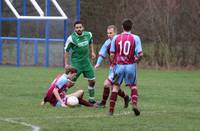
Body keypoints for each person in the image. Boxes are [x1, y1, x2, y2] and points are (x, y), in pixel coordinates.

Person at [109, 19, 143, 116]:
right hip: (130, 66)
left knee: (115, 87)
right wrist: (136, 60)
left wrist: (113, 63)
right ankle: (134, 104)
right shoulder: (136, 38)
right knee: (133, 86)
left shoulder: (116, 38)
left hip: (119, 66)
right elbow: (140, 54)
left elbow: (111, 54)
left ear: (122, 27)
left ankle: (111, 111)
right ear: (131, 27)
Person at [94, 25, 130, 108]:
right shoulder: (107, 42)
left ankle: (103, 103)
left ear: (116, 33)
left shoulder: (121, 41)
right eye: (108, 33)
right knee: (114, 86)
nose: (109, 35)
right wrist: (98, 63)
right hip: (112, 68)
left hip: (120, 68)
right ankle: (126, 97)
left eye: (111, 33)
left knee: (107, 84)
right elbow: (102, 53)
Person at [64, 21, 96, 104]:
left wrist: (92, 52)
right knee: (70, 84)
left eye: (80, 27)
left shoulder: (88, 34)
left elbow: (91, 42)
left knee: (92, 81)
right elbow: (66, 51)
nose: (79, 29)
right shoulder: (71, 38)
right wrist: (66, 64)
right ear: (74, 29)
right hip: (76, 64)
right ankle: (60, 95)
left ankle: (91, 99)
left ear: (83, 28)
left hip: (86, 63)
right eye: (77, 28)